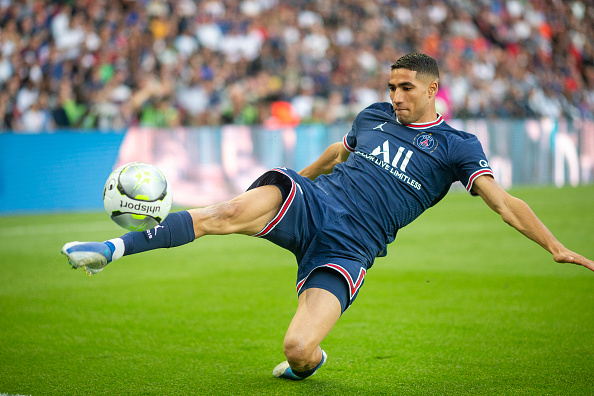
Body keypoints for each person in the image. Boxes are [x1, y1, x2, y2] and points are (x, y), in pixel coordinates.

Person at [61, 53, 594, 380]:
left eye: (406, 88)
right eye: (391, 87)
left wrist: (554, 245)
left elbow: (504, 202)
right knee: (223, 213)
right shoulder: (373, 117)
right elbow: (339, 153)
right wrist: (297, 179)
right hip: (312, 201)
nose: (395, 96)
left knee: (298, 349)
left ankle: (305, 368)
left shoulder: (458, 145)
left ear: (433, 89)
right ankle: (110, 251)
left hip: (350, 248)